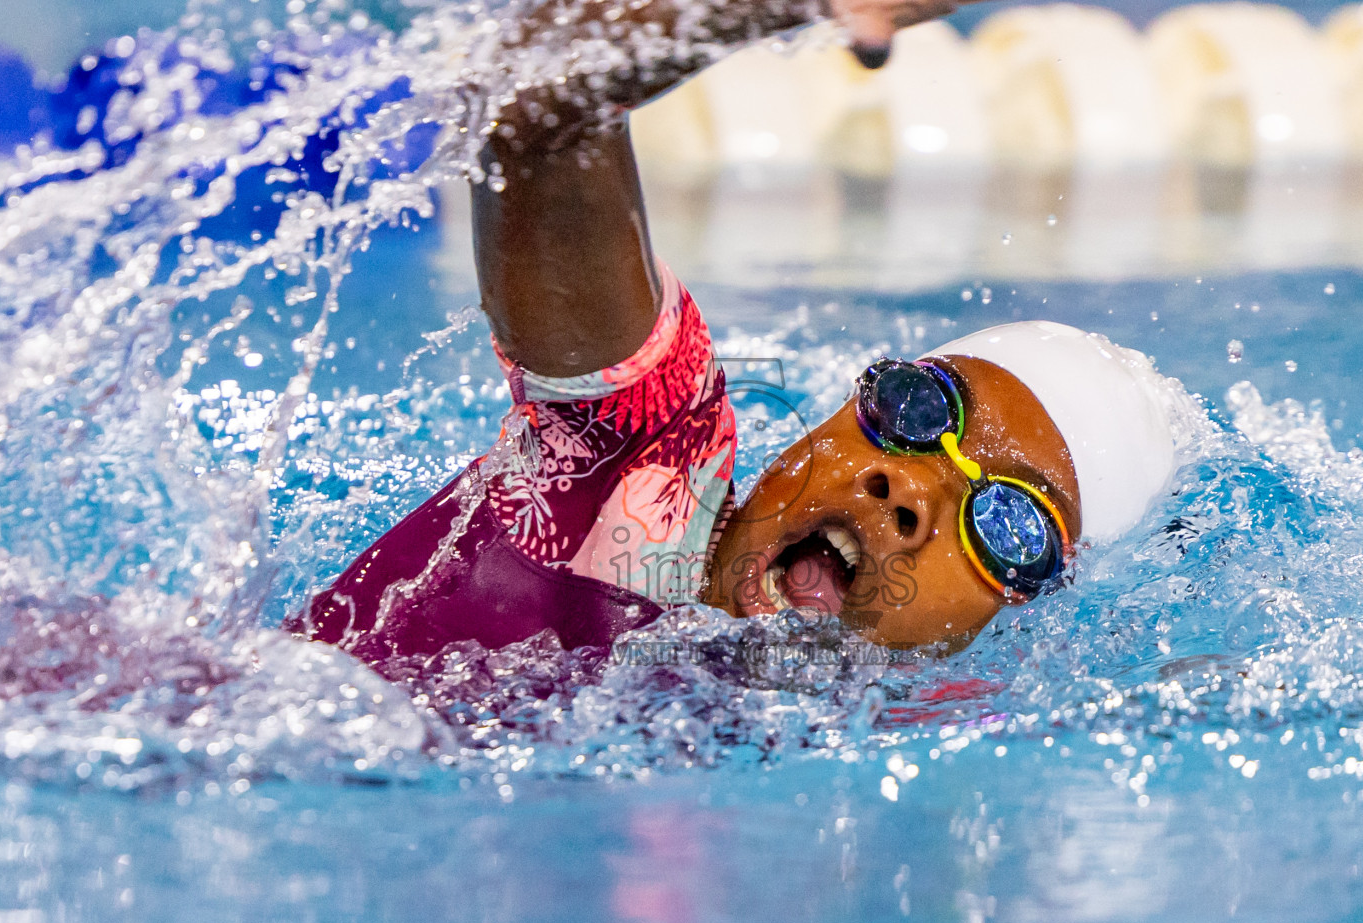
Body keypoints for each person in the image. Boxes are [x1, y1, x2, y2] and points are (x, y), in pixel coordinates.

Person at [292, 0, 1186, 667]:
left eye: (1010, 525)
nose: (905, 489)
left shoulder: (923, 758)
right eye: (917, 409)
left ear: (1022, 628)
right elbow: (533, 109)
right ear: (835, 415)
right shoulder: (635, 470)